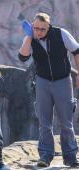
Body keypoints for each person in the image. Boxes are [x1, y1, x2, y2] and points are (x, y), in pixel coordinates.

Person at [18, 12, 79, 167]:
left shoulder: (61, 34)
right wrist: (30, 37)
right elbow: (23, 57)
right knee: (44, 122)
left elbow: (76, 51)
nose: (39, 32)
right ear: (33, 26)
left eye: (42, 29)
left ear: (48, 27)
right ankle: (45, 156)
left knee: (66, 122)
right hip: (42, 82)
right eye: (36, 28)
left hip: (63, 81)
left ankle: (71, 157)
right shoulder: (31, 37)